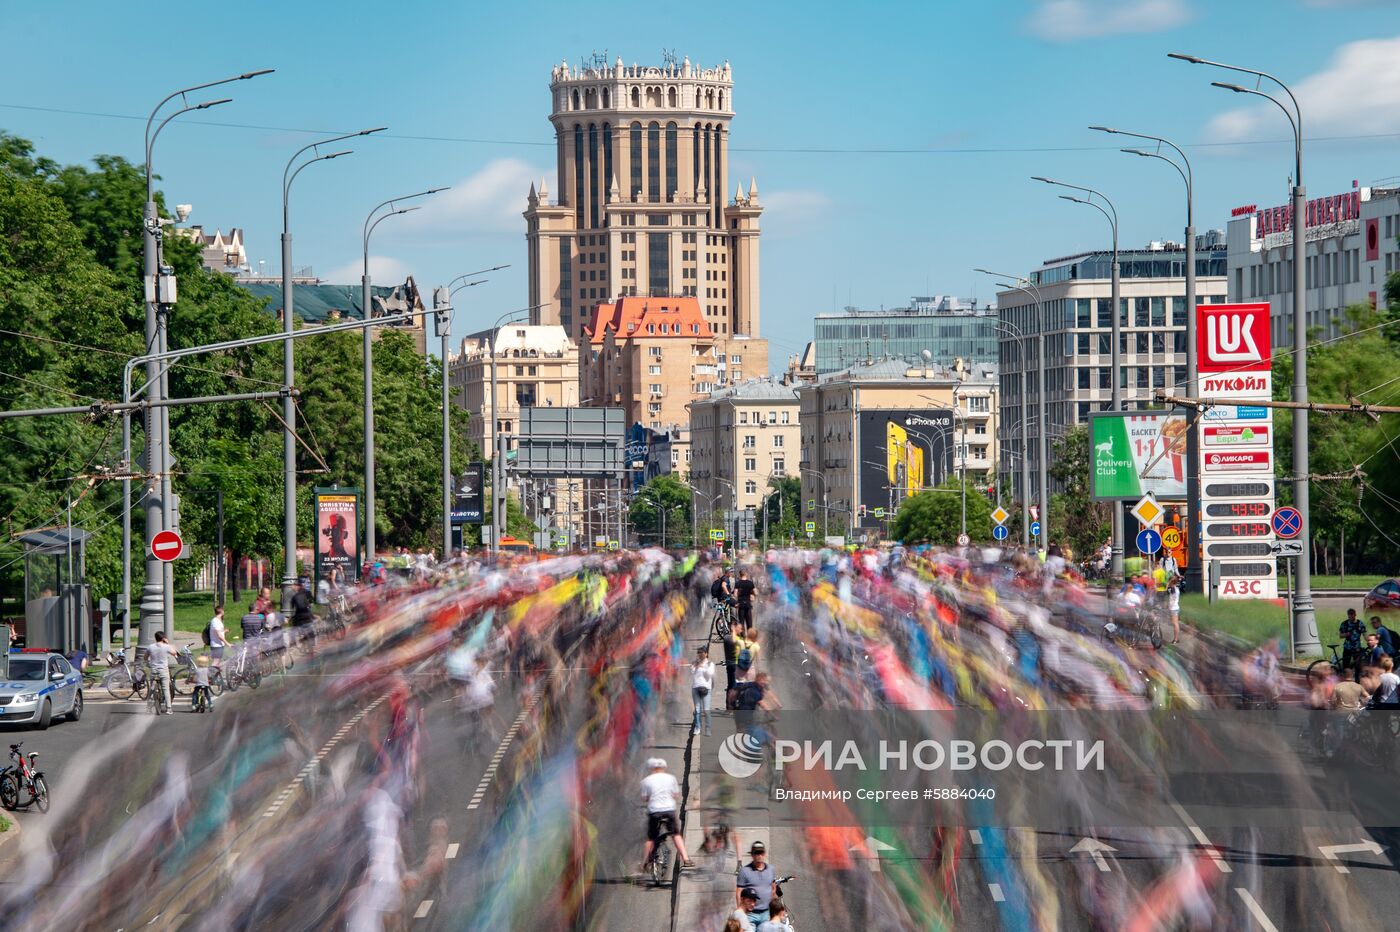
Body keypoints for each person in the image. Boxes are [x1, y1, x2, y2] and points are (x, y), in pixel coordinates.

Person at [640, 758, 693, 873]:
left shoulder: (646, 781)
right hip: (669, 810)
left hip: (654, 811)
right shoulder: (671, 778)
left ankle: (644, 863)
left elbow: (644, 798)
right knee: (675, 834)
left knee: (650, 839)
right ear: (664, 767)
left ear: (652, 768)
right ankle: (686, 859)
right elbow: (675, 794)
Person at [736, 841, 777, 926]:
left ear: (765, 854)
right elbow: (739, 893)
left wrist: (773, 909)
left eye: (761, 853)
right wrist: (741, 912)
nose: (759, 856)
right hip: (750, 914)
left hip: (766, 913)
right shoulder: (744, 871)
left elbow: (773, 888)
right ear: (752, 855)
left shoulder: (771, 869)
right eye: (756, 853)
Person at [146, 630, 178, 714]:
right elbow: (174, 653)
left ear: (155, 638)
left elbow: (145, 657)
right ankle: (169, 708)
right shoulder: (166, 647)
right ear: (163, 638)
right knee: (165, 689)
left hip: (154, 670)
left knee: (152, 688)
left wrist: (149, 662)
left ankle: (148, 707)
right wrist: (168, 643)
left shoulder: (150, 647)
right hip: (163, 670)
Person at [691, 646, 715, 737]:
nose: (700, 655)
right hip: (695, 688)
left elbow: (710, 674)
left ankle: (708, 729)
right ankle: (697, 727)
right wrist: (696, 666)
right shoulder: (695, 663)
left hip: (706, 689)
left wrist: (703, 667)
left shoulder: (710, 664)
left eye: (701, 653)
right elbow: (692, 672)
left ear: (706, 654)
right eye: (698, 653)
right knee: (697, 709)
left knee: (706, 710)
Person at [1340, 609, 1366, 673]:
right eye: (1349, 614)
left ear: (1355, 614)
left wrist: (1369, 640)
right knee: (1346, 665)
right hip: (1347, 647)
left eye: (1352, 614)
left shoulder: (1360, 623)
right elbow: (1341, 636)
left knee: (1357, 665)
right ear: (1348, 615)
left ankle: (1357, 679)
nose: (1351, 616)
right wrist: (1346, 634)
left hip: (1357, 647)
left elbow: (1364, 634)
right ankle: (1345, 678)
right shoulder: (1344, 623)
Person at [1166, 575, 1182, 644]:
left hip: (1173, 608)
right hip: (1175, 607)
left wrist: (1168, 583)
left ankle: (1176, 639)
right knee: (1175, 624)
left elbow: (1166, 590)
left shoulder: (1172, 589)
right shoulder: (1176, 588)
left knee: (1175, 624)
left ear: (1171, 582)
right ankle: (1176, 638)